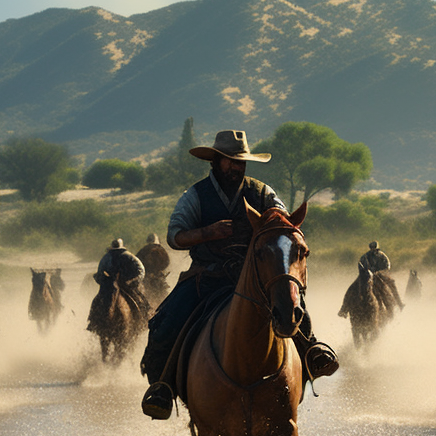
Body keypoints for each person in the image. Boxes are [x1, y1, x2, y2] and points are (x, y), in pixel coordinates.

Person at [139, 129, 339, 419]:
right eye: (231, 161)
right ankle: (163, 388)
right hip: (206, 278)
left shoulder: (262, 192)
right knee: (165, 325)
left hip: (257, 279)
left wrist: (276, 224)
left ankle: (311, 354)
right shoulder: (196, 195)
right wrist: (207, 233)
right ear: (216, 162)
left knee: (293, 310)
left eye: (241, 161)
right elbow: (175, 236)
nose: (237, 166)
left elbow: (283, 223)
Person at [96, 238, 149, 314]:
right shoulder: (128, 256)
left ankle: (143, 319)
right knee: (141, 303)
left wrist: (133, 282)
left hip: (125, 285)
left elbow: (140, 270)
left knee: (140, 302)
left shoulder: (107, 257)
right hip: (116, 284)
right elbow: (141, 270)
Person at [357, 240, 404, 311]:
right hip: (367, 275)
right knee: (354, 287)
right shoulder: (365, 256)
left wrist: (380, 271)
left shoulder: (382, 255)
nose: (373, 250)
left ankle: (399, 303)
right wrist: (365, 270)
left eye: (374, 248)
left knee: (391, 283)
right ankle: (345, 307)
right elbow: (360, 264)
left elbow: (387, 265)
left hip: (379, 274)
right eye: (372, 248)